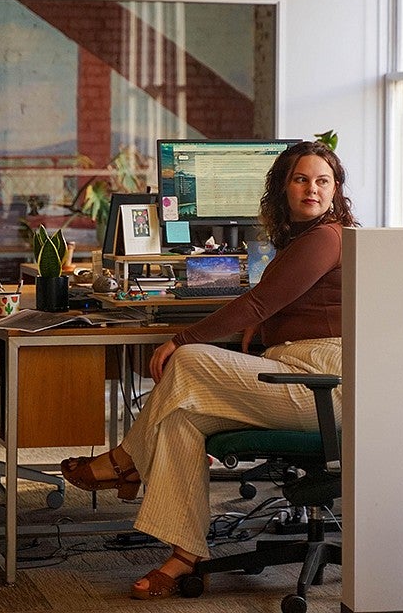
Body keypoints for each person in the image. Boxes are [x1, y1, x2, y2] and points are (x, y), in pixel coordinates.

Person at [59, 140, 357, 599]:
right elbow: (278, 306)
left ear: (336, 190)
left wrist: (182, 337)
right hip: (293, 375)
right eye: (300, 179)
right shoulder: (302, 240)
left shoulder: (326, 236)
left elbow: (259, 300)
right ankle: (185, 554)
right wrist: (259, 327)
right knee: (183, 419)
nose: (311, 190)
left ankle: (124, 461)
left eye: (323, 181)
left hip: (323, 385)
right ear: (283, 187)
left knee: (190, 360)